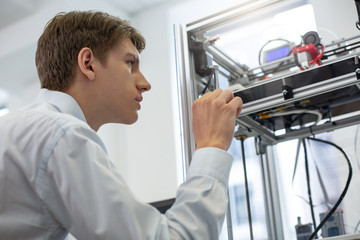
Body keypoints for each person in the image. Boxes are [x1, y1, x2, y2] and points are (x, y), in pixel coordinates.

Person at [0, 11, 243, 239]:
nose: (145, 83)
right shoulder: (60, 134)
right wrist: (212, 145)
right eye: (130, 64)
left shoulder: (18, 128)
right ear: (88, 63)